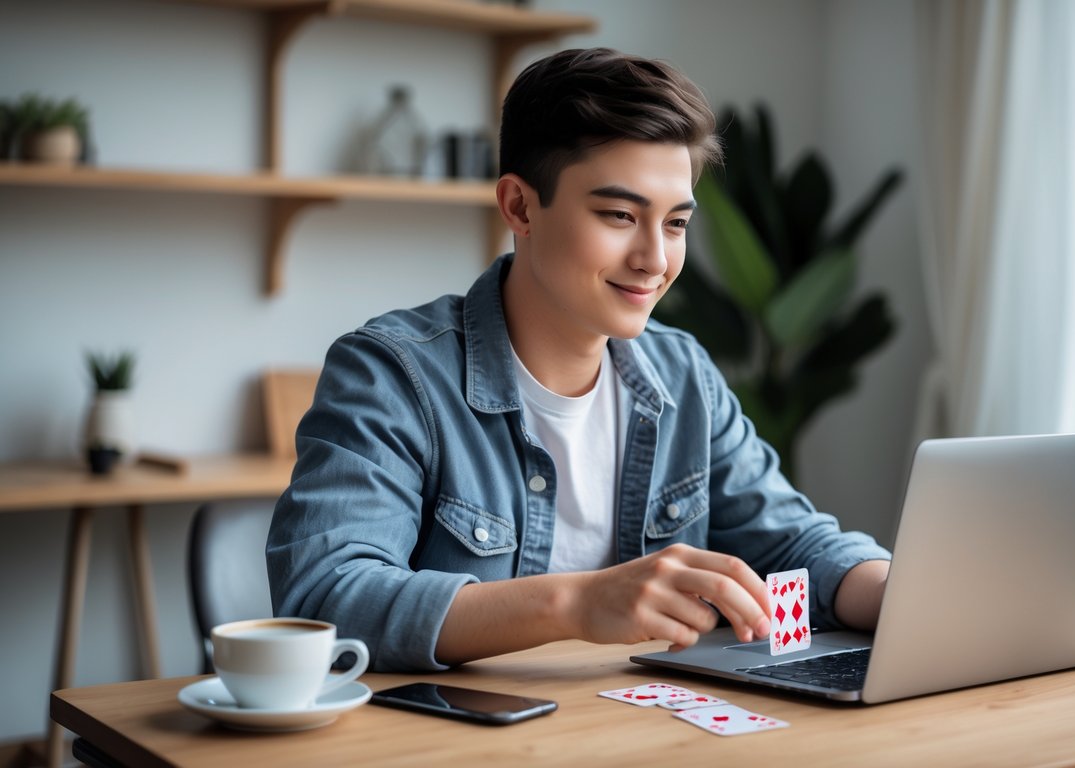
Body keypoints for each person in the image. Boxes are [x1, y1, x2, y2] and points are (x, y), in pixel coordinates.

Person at [267, 47, 892, 672]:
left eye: (675, 224)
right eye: (620, 215)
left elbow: (793, 545)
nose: (655, 260)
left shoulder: (684, 374)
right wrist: (576, 603)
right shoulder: (392, 374)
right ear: (519, 206)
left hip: (637, 721)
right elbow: (327, 598)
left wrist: (903, 595)